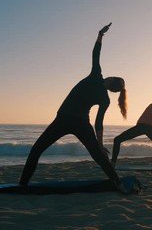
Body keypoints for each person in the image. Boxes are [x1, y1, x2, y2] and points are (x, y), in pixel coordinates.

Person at [19, 23, 131, 192]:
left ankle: (22, 185)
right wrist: (100, 145)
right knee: (98, 156)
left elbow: (95, 53)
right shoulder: (105, 99)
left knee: (36, 151)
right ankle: (118, 183)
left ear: (110, 80)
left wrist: (100, 34)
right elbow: (98, 123)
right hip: (81, 124)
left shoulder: (96, 75)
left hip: (63, 120)